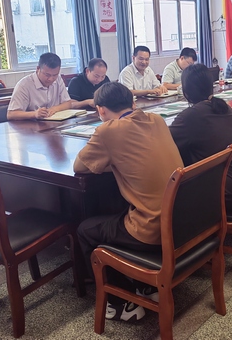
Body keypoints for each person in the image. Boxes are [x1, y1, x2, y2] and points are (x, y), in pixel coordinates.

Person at [75, 82, 183, 322]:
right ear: (132, 103)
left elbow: (79, 166)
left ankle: (121, 302)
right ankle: (147, 286)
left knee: (85, 230)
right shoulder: (156, 120)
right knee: (120, 211)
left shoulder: (108, 131)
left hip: (152, 230)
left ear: (100, 110)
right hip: (182, 222)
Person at [169, 64, 232, 215]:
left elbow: (164, 143)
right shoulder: (224, 107)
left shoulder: (190, 116)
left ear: (185, 92)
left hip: (222, 195)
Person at [7, 53, 85, 120]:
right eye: (47, 75)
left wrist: (54, 109)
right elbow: (11, 114)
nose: (51, 79)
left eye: (55, 75)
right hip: (32, 127)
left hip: (54, 124)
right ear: (38, 69)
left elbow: (68, 103)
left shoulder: (58, 79)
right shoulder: (24, 85)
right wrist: (34, 114)